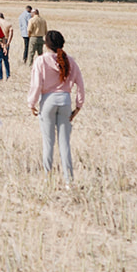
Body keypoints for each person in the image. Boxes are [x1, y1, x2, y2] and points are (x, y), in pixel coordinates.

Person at [28, 30, 85, 185]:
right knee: (64, 143)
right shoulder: (70, 61)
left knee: (48, 143)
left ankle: (48, 178)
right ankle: (69, 181)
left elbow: (36, 85)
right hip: (65, 100)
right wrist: (78, 106)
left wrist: (31, 103)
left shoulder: (41, 60)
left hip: (47, 101)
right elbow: (80, 84)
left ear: (46, 44)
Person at [0, 13, 13, 81]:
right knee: (6, 59)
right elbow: (11, 32)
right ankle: (8, 75)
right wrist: (8, 42)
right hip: (6, 40)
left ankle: (0, 77)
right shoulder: (8, 23)